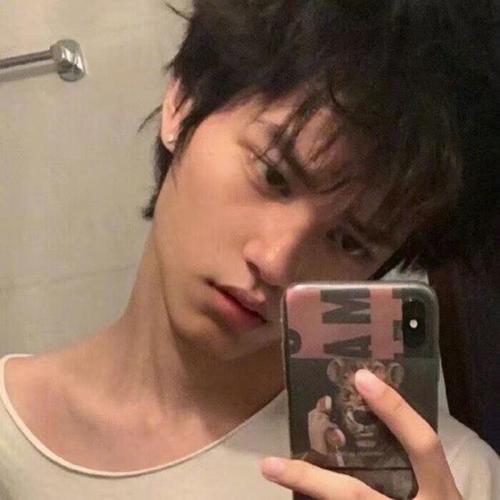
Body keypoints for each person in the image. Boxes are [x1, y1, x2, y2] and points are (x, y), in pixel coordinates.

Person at [1, 1, 499, 499]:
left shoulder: (454, 479)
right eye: (273, 175)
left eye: (350, 241)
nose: (277, 262)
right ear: (182, 101)